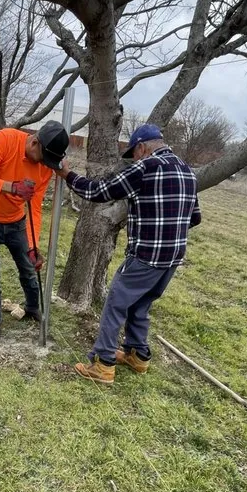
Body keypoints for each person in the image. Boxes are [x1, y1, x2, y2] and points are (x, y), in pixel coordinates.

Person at [57, 123, 201, 384]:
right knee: (141, 303)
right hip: (172, 259)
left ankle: (102, 364)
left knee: (115, 304)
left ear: (142, 147)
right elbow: (195, 218)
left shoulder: (145, 168)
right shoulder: (187, 172)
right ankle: (137, 355)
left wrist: (68, 174)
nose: (133, 159)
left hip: (146, 255)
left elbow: (98, 192)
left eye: (133, 153)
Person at [0, 121, 69, 343]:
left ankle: (32, 307)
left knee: (28, 267)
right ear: (34, 142)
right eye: (42, 158)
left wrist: (33, 245)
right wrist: (11, 186)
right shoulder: (6, 139)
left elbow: (35, 207)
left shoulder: (45, 167)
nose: (44, 164)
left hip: (16, 222)